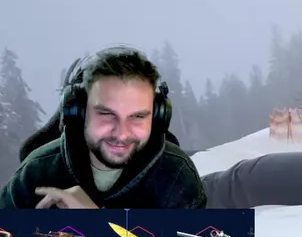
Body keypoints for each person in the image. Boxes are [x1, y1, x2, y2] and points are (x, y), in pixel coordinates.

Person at [0, 46, 205, 209]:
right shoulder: (36, 171)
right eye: (106, 114)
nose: (122, 133)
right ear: (80, 112)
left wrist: (95, 223)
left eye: (138, 116)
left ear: (158, 116)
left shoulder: (176, 175)